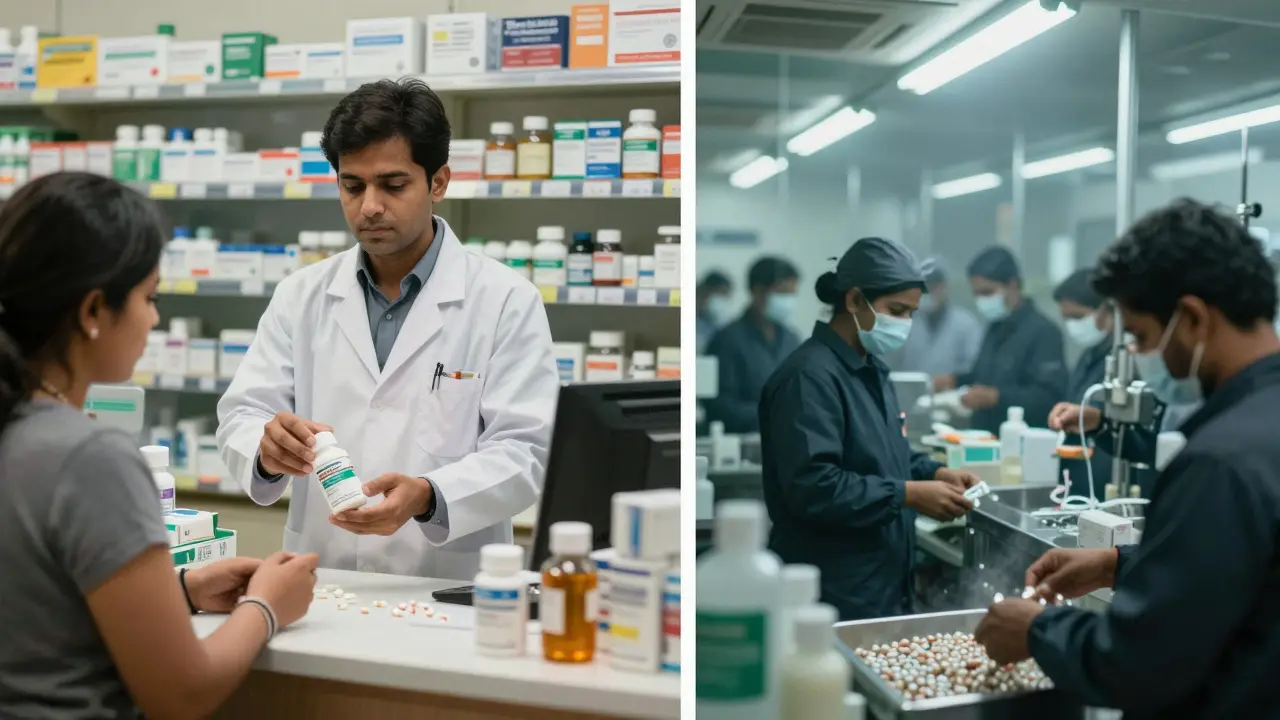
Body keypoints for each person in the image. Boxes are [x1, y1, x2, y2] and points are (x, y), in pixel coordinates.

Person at [0, 172, 319, 719]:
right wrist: (267, 605)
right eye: (148, 297)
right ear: (93, 312)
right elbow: (182, 694)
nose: (155, 318)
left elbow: (39, 605)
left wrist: (180, 590)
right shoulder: (88, 456)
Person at [217, 79, 559, 579]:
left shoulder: (505, 299)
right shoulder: (301, 295)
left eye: (393, 185)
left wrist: (430, 495)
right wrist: (266, 450)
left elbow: (526, 450)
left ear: (438, 183)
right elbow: (243, 415)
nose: (370, 207)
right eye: (353, 186)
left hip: (446, 583)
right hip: (324, 574)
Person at [976, 199, 1280, 718]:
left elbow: (1141, 665)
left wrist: (1038, 629)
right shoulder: (1259, 422)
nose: (1138, 354)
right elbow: (1240, 574)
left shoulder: (1220, 462)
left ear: (1191, 318)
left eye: (1139, 336)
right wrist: (1118, 563)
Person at [758, 237, 979, 621]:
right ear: (855, 300)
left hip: (880, 582)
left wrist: (934, 472)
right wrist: (907, 494)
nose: (905, 324)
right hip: (832, 589)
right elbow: (815, 487)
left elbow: (886, 454)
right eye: (897, 310)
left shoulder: (871, 370)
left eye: (911, 313)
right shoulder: (809, 378)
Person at [934, 246, 1065, 434]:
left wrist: (997, 398)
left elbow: (1048, 398)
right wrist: (956, 381)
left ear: (1012, 285)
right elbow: (983, 376)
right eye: (976, 294)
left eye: (987, 292)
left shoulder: (1044, 332)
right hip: (983, 437)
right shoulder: (995, 327)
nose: (981, 300)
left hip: (1022, 439)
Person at [705, 257, 802, 433]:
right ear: (758, 291)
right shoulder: (727, 340)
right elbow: (719, 406)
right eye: (782, 292)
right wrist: (772, 415)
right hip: (741, 439)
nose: (788, 300)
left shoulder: (791, 339)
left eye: (792, 293)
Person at [893, 260, 983, 377]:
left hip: (953, 388)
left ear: (945, 287)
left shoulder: (966, 324)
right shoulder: (905, 322)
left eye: (934, 287)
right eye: (925, 289)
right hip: (912, 387)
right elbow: (892, 362)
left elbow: (974, 366)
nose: (930, 293)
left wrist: (954, 379)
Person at [696, 270, 732, 354]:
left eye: (726, 296)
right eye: (720, 294)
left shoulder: (717, 323)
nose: (722, 301)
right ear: (705, 292)